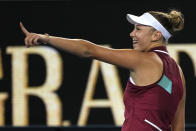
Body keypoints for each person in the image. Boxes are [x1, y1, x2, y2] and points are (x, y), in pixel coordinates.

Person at [20, 9, 186, 131]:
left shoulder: (144, 60)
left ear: (156, 35)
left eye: (138, 29)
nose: (132, 34)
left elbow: (88, 50)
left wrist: (47, 39)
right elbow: (179, 126)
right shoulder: (178, 72)